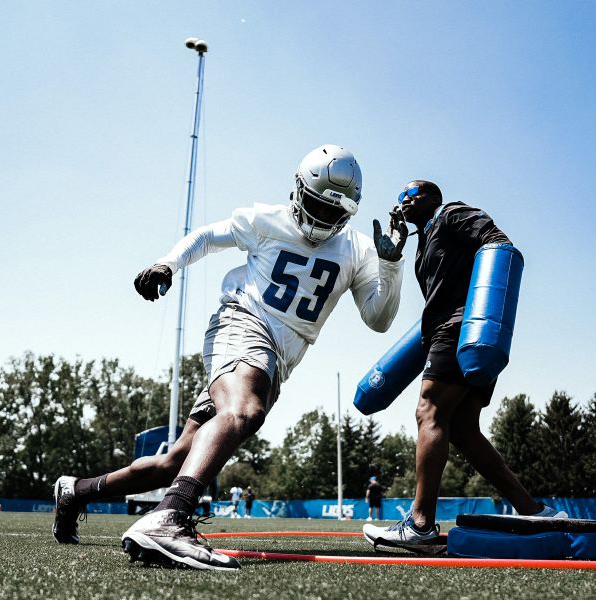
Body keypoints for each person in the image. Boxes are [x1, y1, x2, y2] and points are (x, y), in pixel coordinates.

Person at [52, 144, 407, 571]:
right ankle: (169, 517)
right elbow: (207, 237)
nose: (320, 220)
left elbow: (378, 318)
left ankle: (76, 491)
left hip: (275, 357)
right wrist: (168, 263)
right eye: (315, 205)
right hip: (242, 324)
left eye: (333, 212)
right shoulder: (268, 219)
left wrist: (390, 264)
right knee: (244, 410)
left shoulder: (356, 249)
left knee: (176, 460)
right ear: (298, 190)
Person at [362, 180, 565, 555]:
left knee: (430, 411)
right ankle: (534, 510)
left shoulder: (452, 213)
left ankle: (420, 526)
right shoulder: (424, 242)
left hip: (465, 329)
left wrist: (482, 323)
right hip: (455, 332)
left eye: (413, 194)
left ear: (433, 198)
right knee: (462, 429)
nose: (404, 199)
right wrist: (397, 247)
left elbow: (497, 241)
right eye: (401, 195)